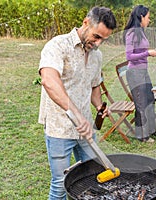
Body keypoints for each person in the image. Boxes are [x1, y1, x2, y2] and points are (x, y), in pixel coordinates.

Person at [38, 6, 116, 199]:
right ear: (85, 22)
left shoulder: (97, 55)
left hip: (86, 128)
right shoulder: (57, 46)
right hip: (60, 128)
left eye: (103, 40)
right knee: (59, 184)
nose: (98, 43)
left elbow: (94, 85)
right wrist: (75, 113)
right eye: (96, 36)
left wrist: (99, 106)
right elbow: (49, 80)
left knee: (92, 176)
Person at [123, 5, 156, 143]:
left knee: (150, 99)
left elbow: (141, 51)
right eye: (148, 17)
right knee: (141, 103)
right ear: (141, 17)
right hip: (134, 72)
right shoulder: (131, 33)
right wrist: (148, 53)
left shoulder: (141, 32)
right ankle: (142, 136)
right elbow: (129, 56)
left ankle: (151, 129)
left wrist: (152, 52)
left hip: (143, 71)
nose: (149, 20)